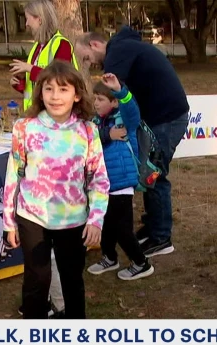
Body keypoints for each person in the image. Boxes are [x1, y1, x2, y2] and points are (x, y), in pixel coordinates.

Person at [2, 60, 109, 320]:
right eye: (48, 89)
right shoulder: (24, 128)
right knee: (36, 281)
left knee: (72, 281)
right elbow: (13, 174)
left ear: (77, 95)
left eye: (63, 90)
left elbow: (98, 179)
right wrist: (9, 221)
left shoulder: (87, 130)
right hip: (32, 217)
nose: (55, 97)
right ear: (40, 93)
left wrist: (96, 219)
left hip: (73, 219)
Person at [75, 28, 189, 259]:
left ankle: (161, 237)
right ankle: (152, 224)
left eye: (86, 57)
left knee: (154, 174)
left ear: (96, 45)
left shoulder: (117, 53)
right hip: (160, 116)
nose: (89, 64)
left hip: (166, 118)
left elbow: (111, 94)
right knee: (145, 171)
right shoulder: (124, 48)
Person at [86, 73, 154, 281]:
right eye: (95, 98)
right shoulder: (96, 122)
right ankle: (109, 257)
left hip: (122, 183)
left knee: (123, 229)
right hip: (103, 185)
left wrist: (120, 90)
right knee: (105, 223)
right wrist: (107, 135)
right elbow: (91, 136)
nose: (95, 103)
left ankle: (141, 263)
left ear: (114, 102)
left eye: (101, 99)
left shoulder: (125, 119)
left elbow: (132, 109)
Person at [9, 0, 79, 111]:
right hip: (38, 114)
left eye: (28, 19)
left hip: (57, 113)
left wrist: (29, 68)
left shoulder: (62, 45)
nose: (27, 24)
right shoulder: (38, 45)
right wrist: (20, 83)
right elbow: (36, 85)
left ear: (40, 20)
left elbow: (60, 79)